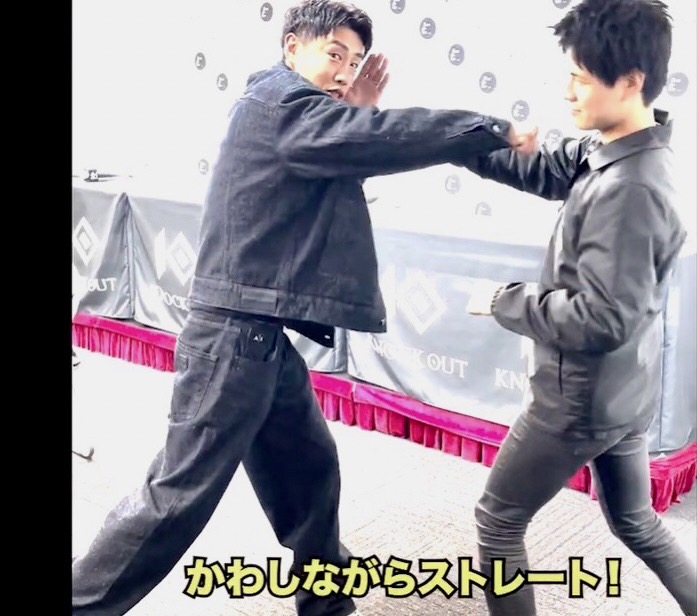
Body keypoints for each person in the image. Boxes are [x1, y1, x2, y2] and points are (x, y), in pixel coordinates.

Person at [71, 1, 534, 614]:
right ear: (292, 47)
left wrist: (353, 113)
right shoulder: (281, 104)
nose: (345, 71)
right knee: (176, 499)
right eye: (334, 54)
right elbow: (383, 138)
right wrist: (490, 128)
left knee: (310, 472)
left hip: (259, 339)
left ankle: (327, 604)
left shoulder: (291, 114)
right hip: (233, 340)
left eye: (355, 61)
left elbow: (345, 151)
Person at [464, 0, 697, 614]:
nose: (567, 91)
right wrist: (453, 138)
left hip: (579, 400)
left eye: (581, 78)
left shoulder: (634, 188)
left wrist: (504, 301)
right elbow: (543, 166)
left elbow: (602, 318)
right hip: (624, 392)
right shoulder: (621, 150)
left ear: (631, 81)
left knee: (498, 521)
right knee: (637, 522)